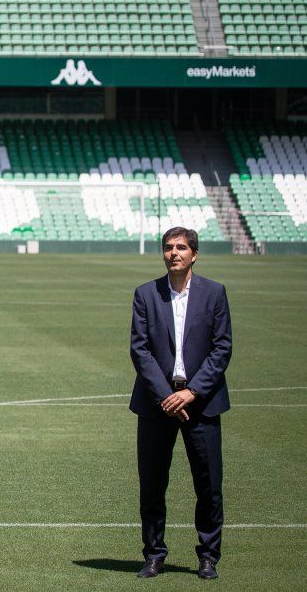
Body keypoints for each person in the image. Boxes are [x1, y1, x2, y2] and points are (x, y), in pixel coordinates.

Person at [129, 226, 232, 580]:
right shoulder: (146, 294)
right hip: (157, 403)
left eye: (181, 247)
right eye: (168, 247)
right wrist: (166, 395)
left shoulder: (214, 293)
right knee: (152, 484)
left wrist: (192, 391)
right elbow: (139, 349)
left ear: (194, 254)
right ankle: (154, 555)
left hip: (201, 403)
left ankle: (208, 556)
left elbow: (222, 348)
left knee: (208, 484)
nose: (174, 253)